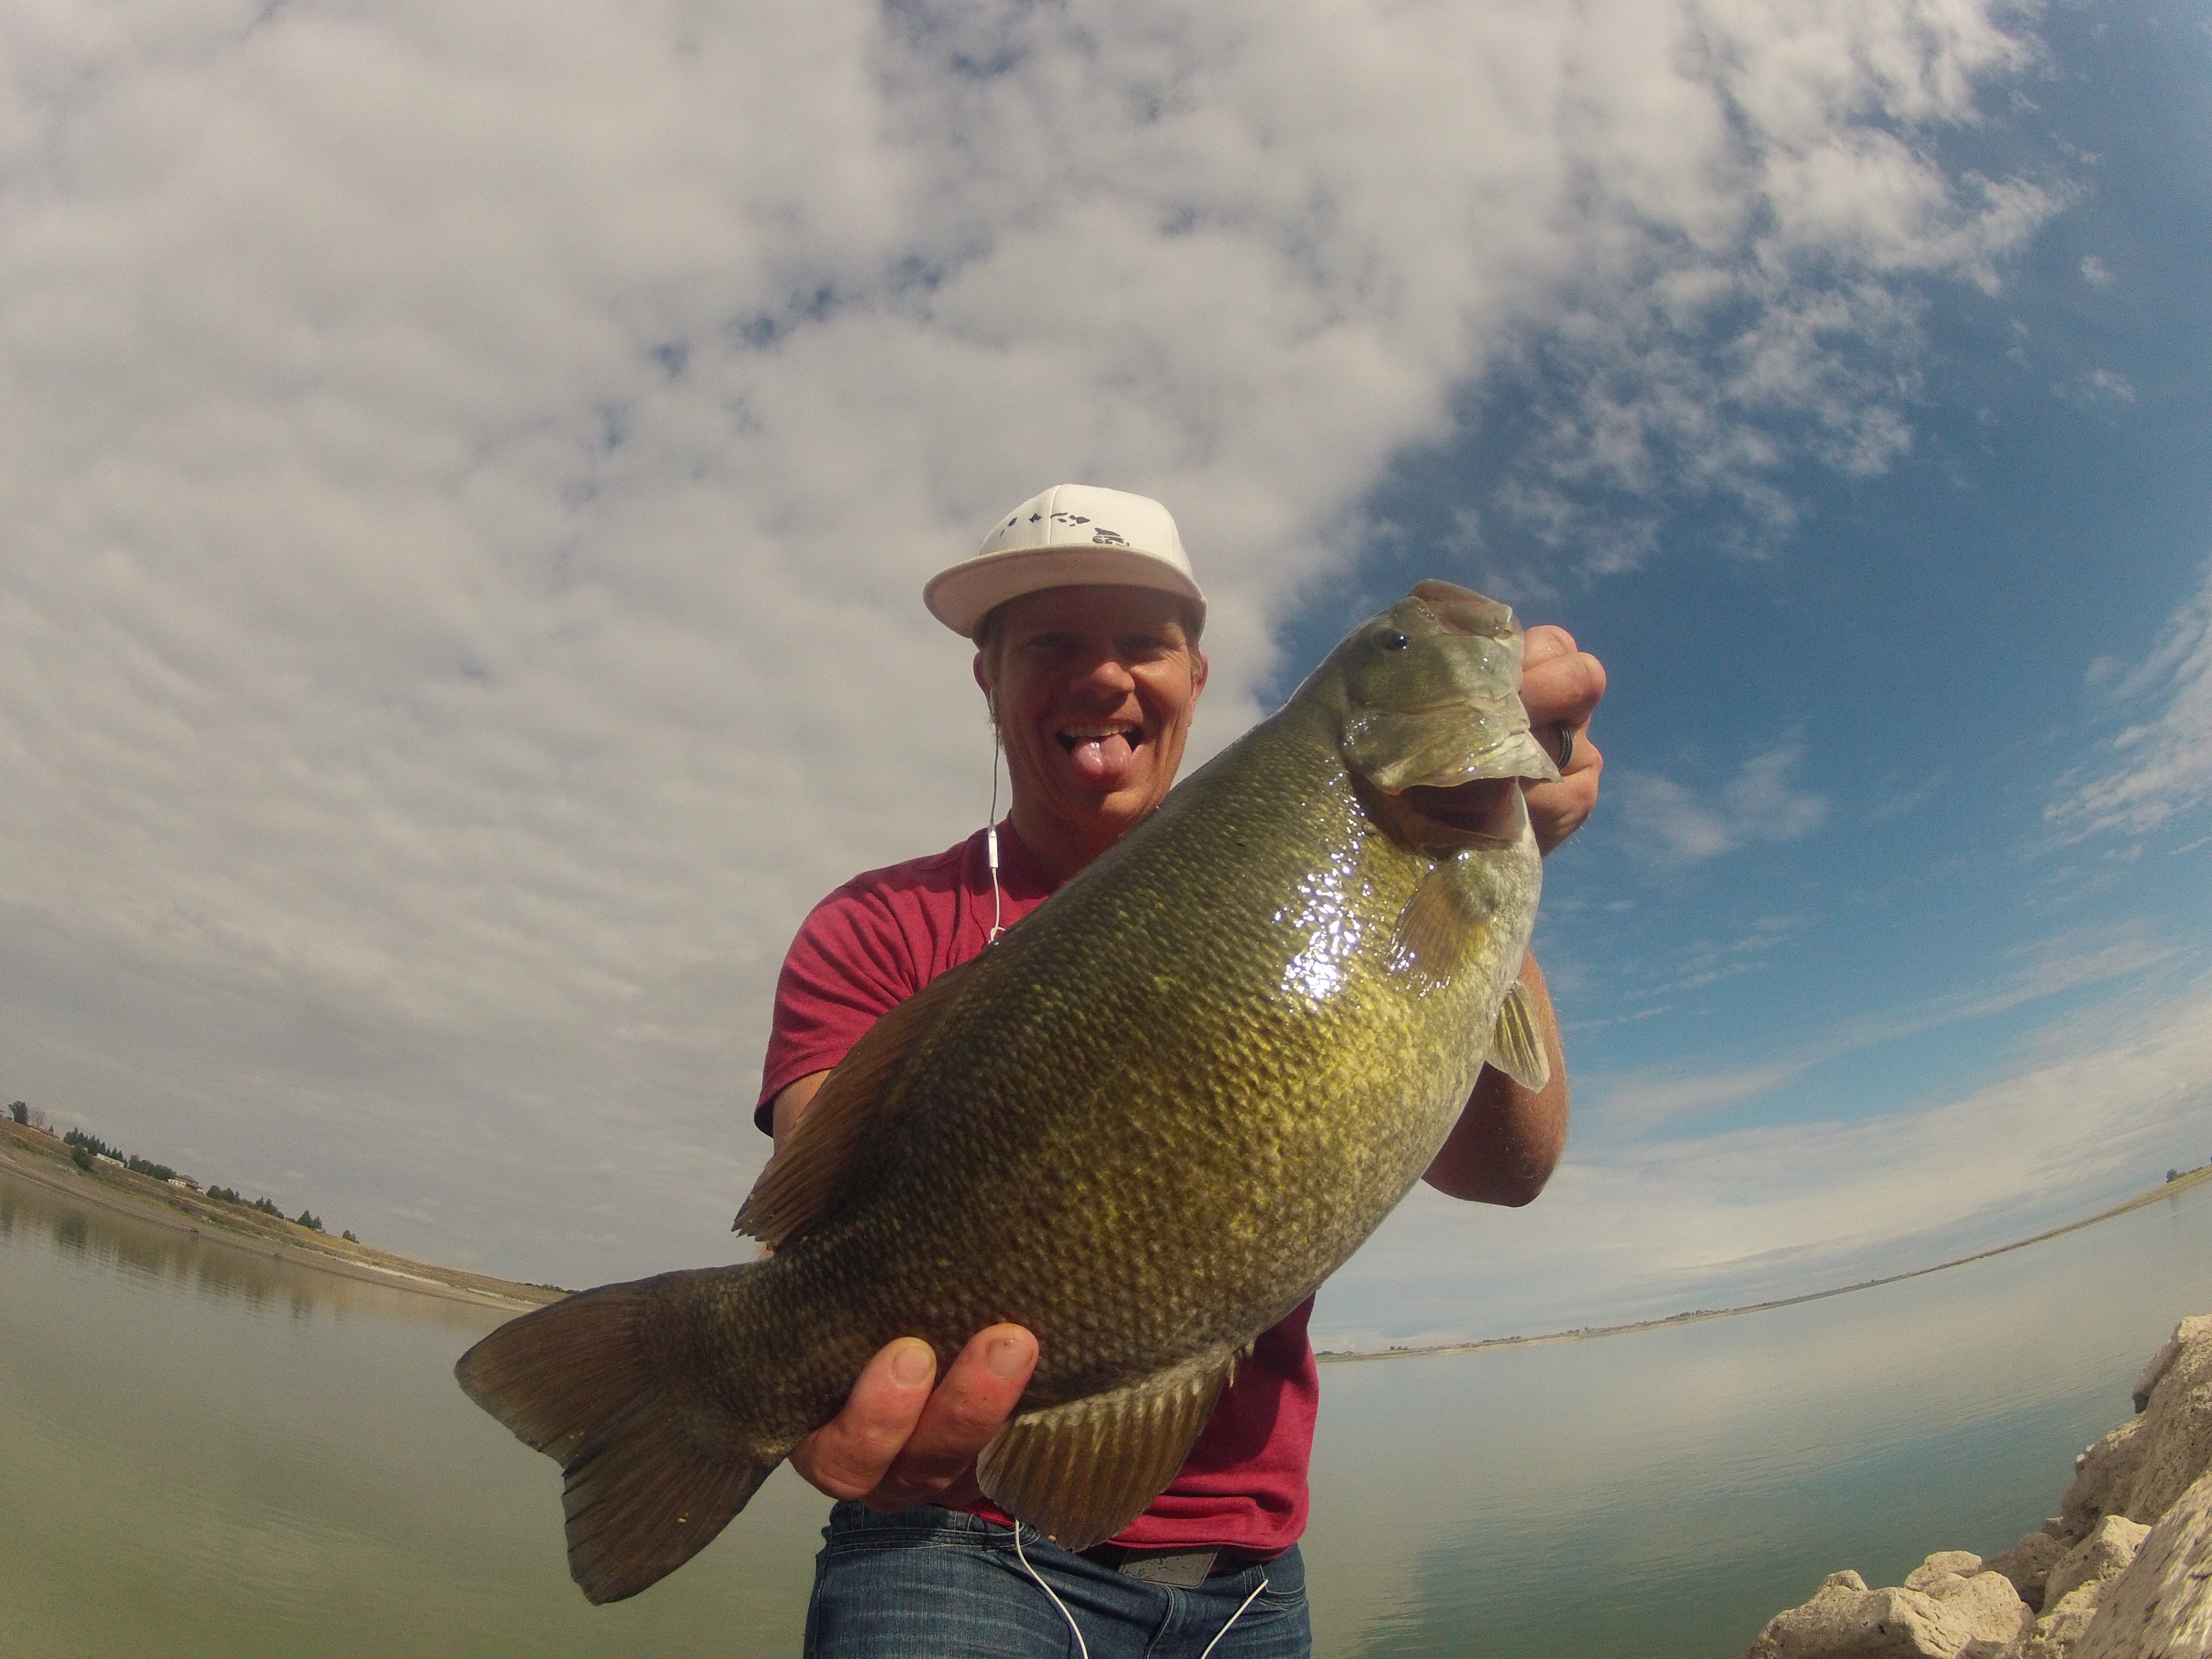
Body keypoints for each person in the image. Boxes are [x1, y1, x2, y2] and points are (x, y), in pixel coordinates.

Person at [755, 484, 1607, 1657]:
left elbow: (1509, 1171)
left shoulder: (1371, 843)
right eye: (1051, 643)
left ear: (1196, 678)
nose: (1102, 677)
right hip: (948, 1546)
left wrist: (1492, 882)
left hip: (1251, 1579)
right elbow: (829, 1213)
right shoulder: (874, 928)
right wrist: (776, 1371)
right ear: (988, 681)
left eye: (1143, 643)